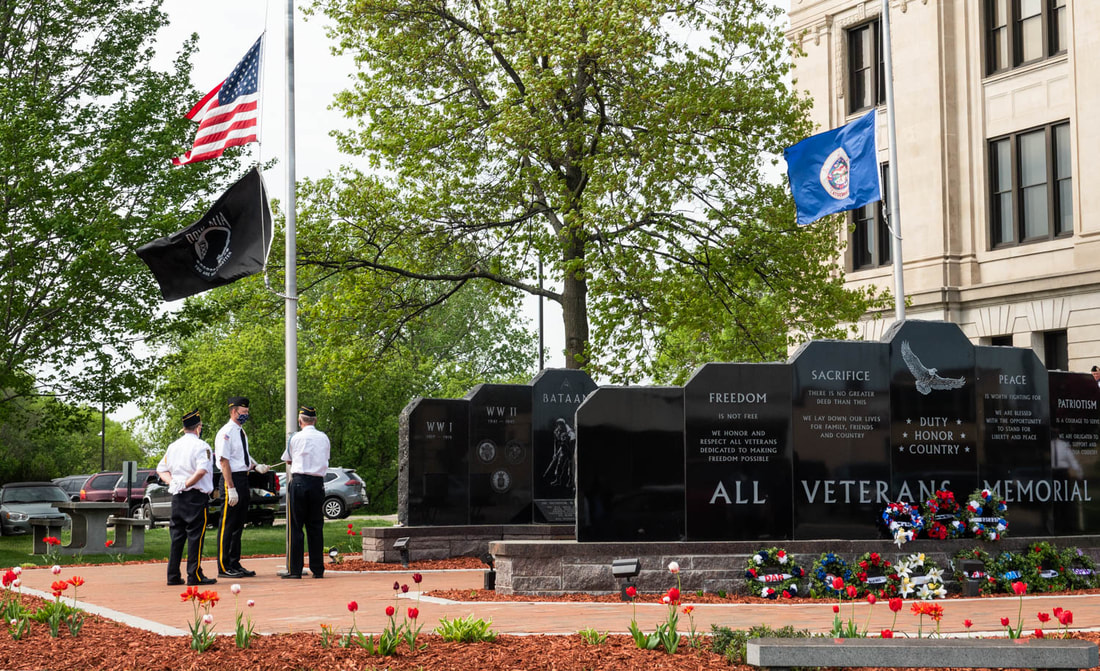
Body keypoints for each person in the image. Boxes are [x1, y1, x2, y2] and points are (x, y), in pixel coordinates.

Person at [157, 409, 216, 586]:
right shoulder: (202, 446)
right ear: (198, 427)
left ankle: (173, 575)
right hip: (195, 495)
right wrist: (187, 483)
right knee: (195, 536)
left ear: (184, 429)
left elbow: (161, 469)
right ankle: (194, 574)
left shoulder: (173, 446)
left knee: (177, 536)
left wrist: (173, 482)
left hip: (177, 496)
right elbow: (202, 470)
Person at [214, 396, 269, 578]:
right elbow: (224, 461)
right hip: (231, 479)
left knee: (238, 524)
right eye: (243, 412)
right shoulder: (226, 433)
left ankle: (234, 562)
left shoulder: (240, 432)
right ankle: (224, 566)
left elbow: (243, 456)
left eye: (247, 412)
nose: (246, 415)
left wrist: (255, 466)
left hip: (243, 478)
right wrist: (230, 488)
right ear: (233, 411)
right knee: (228, 525)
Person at [280, 405, 331, 579]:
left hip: (300, 482)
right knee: (315, 527)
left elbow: (288, 460)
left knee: (296, 527)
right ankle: (317, 569)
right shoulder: (324, 438)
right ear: (315, 420)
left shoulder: (295, 438)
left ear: (300, 421)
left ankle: (295, 570)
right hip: (317, 483)